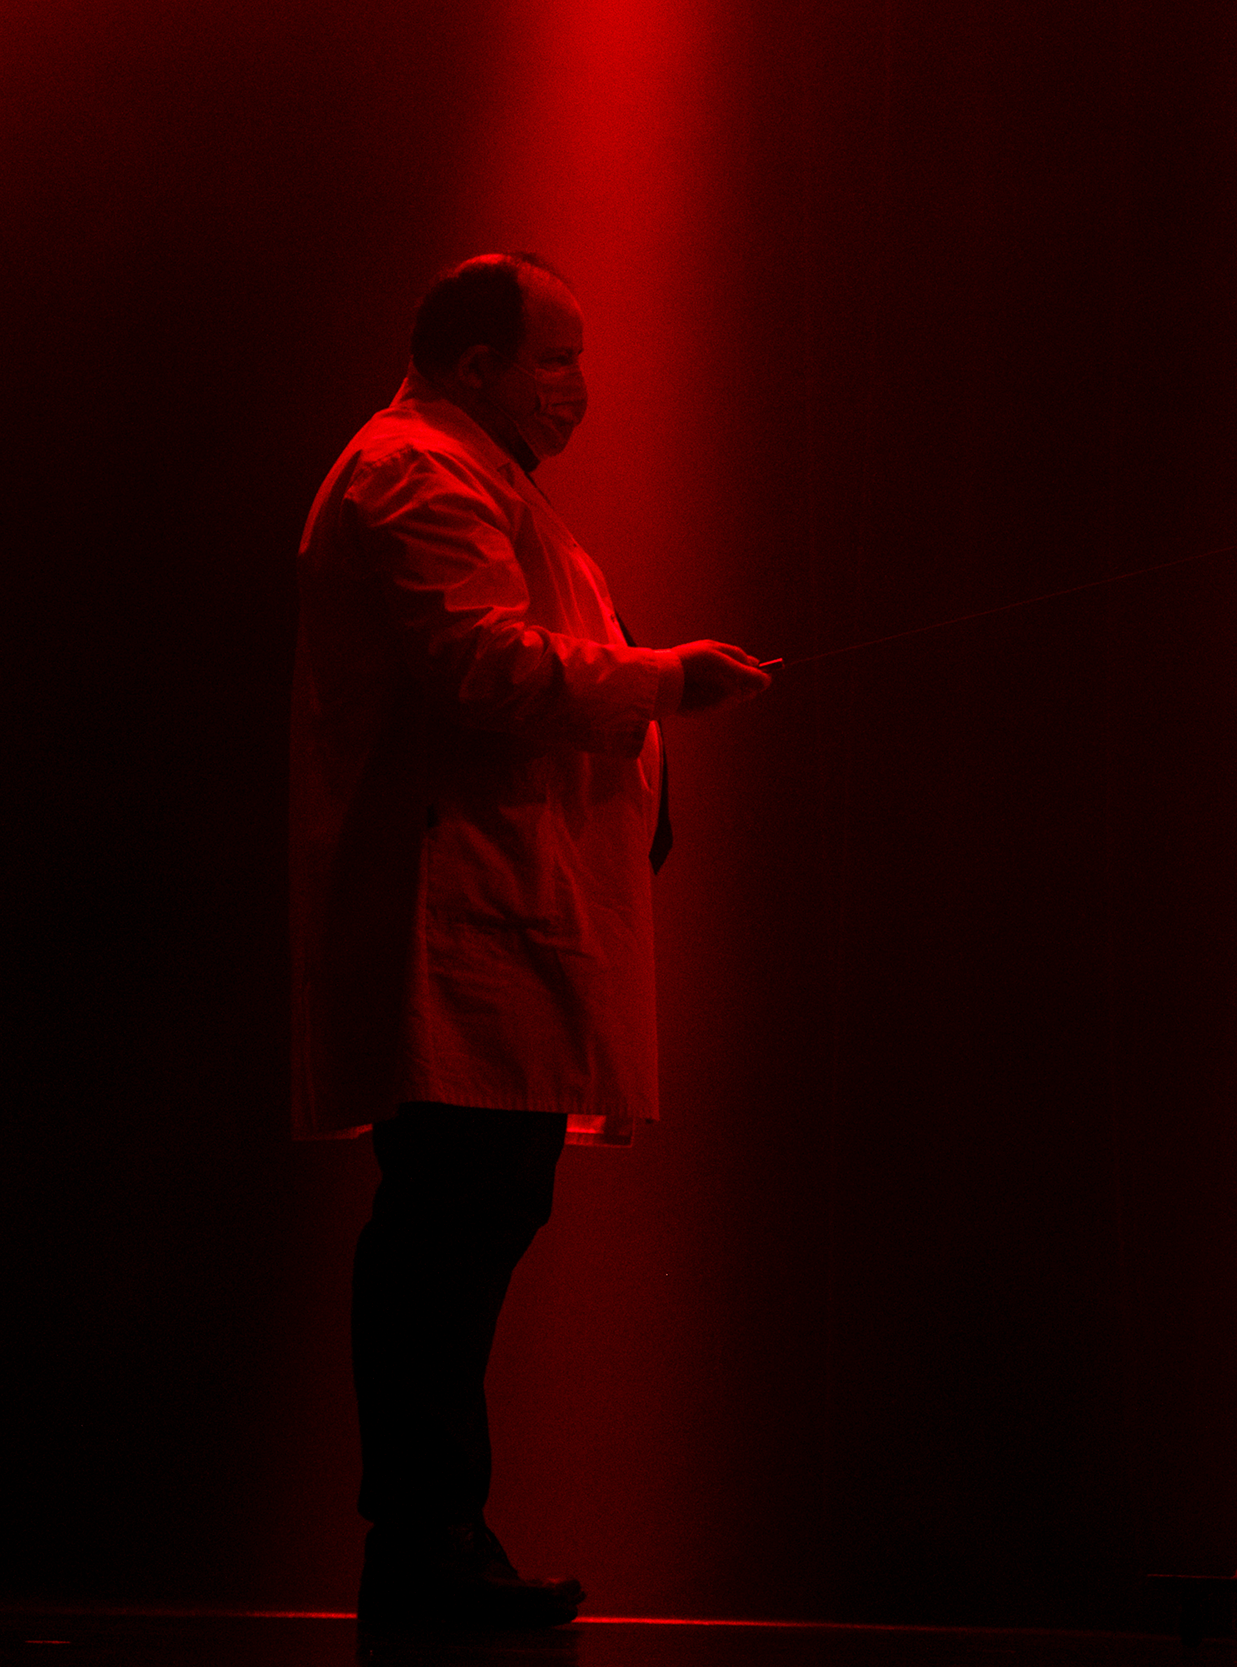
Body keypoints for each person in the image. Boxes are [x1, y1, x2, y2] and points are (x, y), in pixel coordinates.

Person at [289, 251, 770, 1627]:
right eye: (555, 358)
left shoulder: (478, 479)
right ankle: (422, 1540)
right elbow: (483, 665)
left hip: (500, 915)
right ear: (472, 363)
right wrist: (666, 679)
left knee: (477, 1218)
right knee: (447, 1229)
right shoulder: (416, 474)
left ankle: (442, 1532)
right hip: (462, 916)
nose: (578, 387)